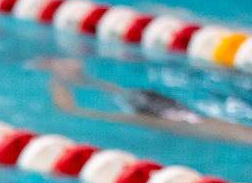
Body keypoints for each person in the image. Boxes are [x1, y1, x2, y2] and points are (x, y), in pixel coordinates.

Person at [36, 57, 252, 145]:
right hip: (171, 117)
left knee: (116, 99)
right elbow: (68, 109)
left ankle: (63, 75)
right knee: (80, 111)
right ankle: (59, 77)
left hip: (175, 113)